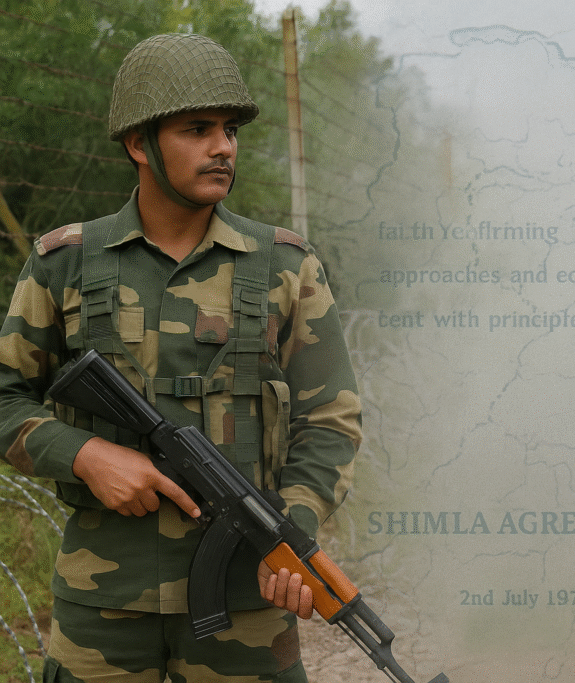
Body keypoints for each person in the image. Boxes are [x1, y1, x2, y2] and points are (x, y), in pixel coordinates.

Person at [0, 33, 362, 681]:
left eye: (229, 130)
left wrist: (292, 528)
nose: (223, 146)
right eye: (198, 129)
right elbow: (5, 396)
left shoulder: (286, 267)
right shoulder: (65, 264)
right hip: (101, 605)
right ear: (139, 144)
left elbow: (330, 420)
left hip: (249, 602)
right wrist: (85, 454)